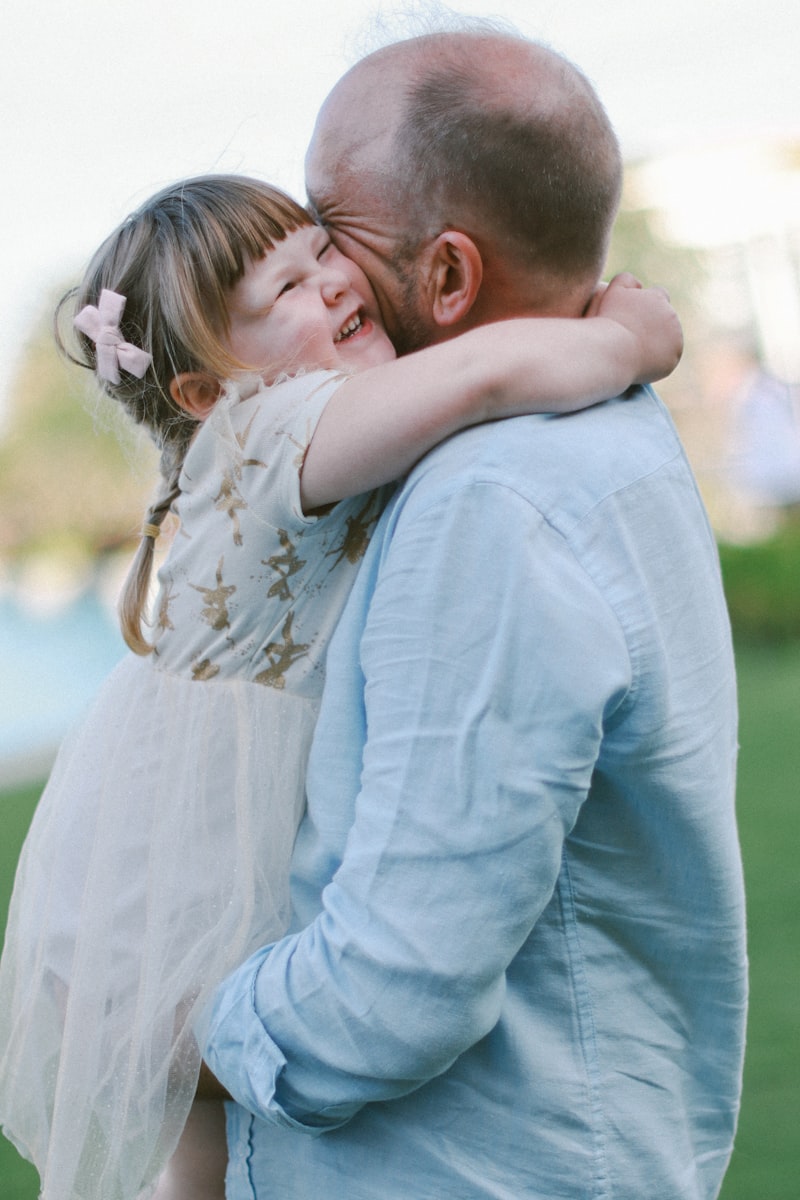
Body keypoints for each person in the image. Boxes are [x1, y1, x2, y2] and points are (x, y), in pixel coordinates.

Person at [0, 173, 679, 1200]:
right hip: (184, 883)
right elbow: (482, 378)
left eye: (320, 251)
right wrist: (628, 341)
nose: (330, 283)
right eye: (283, 294)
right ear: (206, 390)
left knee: (206, 1168)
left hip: (157, 867)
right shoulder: (275, 424)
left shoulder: (251, 438)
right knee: (204, 1160)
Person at [202, 30, 748, 1200]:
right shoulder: (608, 427)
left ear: (446, 277)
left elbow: (390, 997)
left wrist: (199, 1028)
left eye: (331, 231)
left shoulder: (488, 500)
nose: (323, 276)